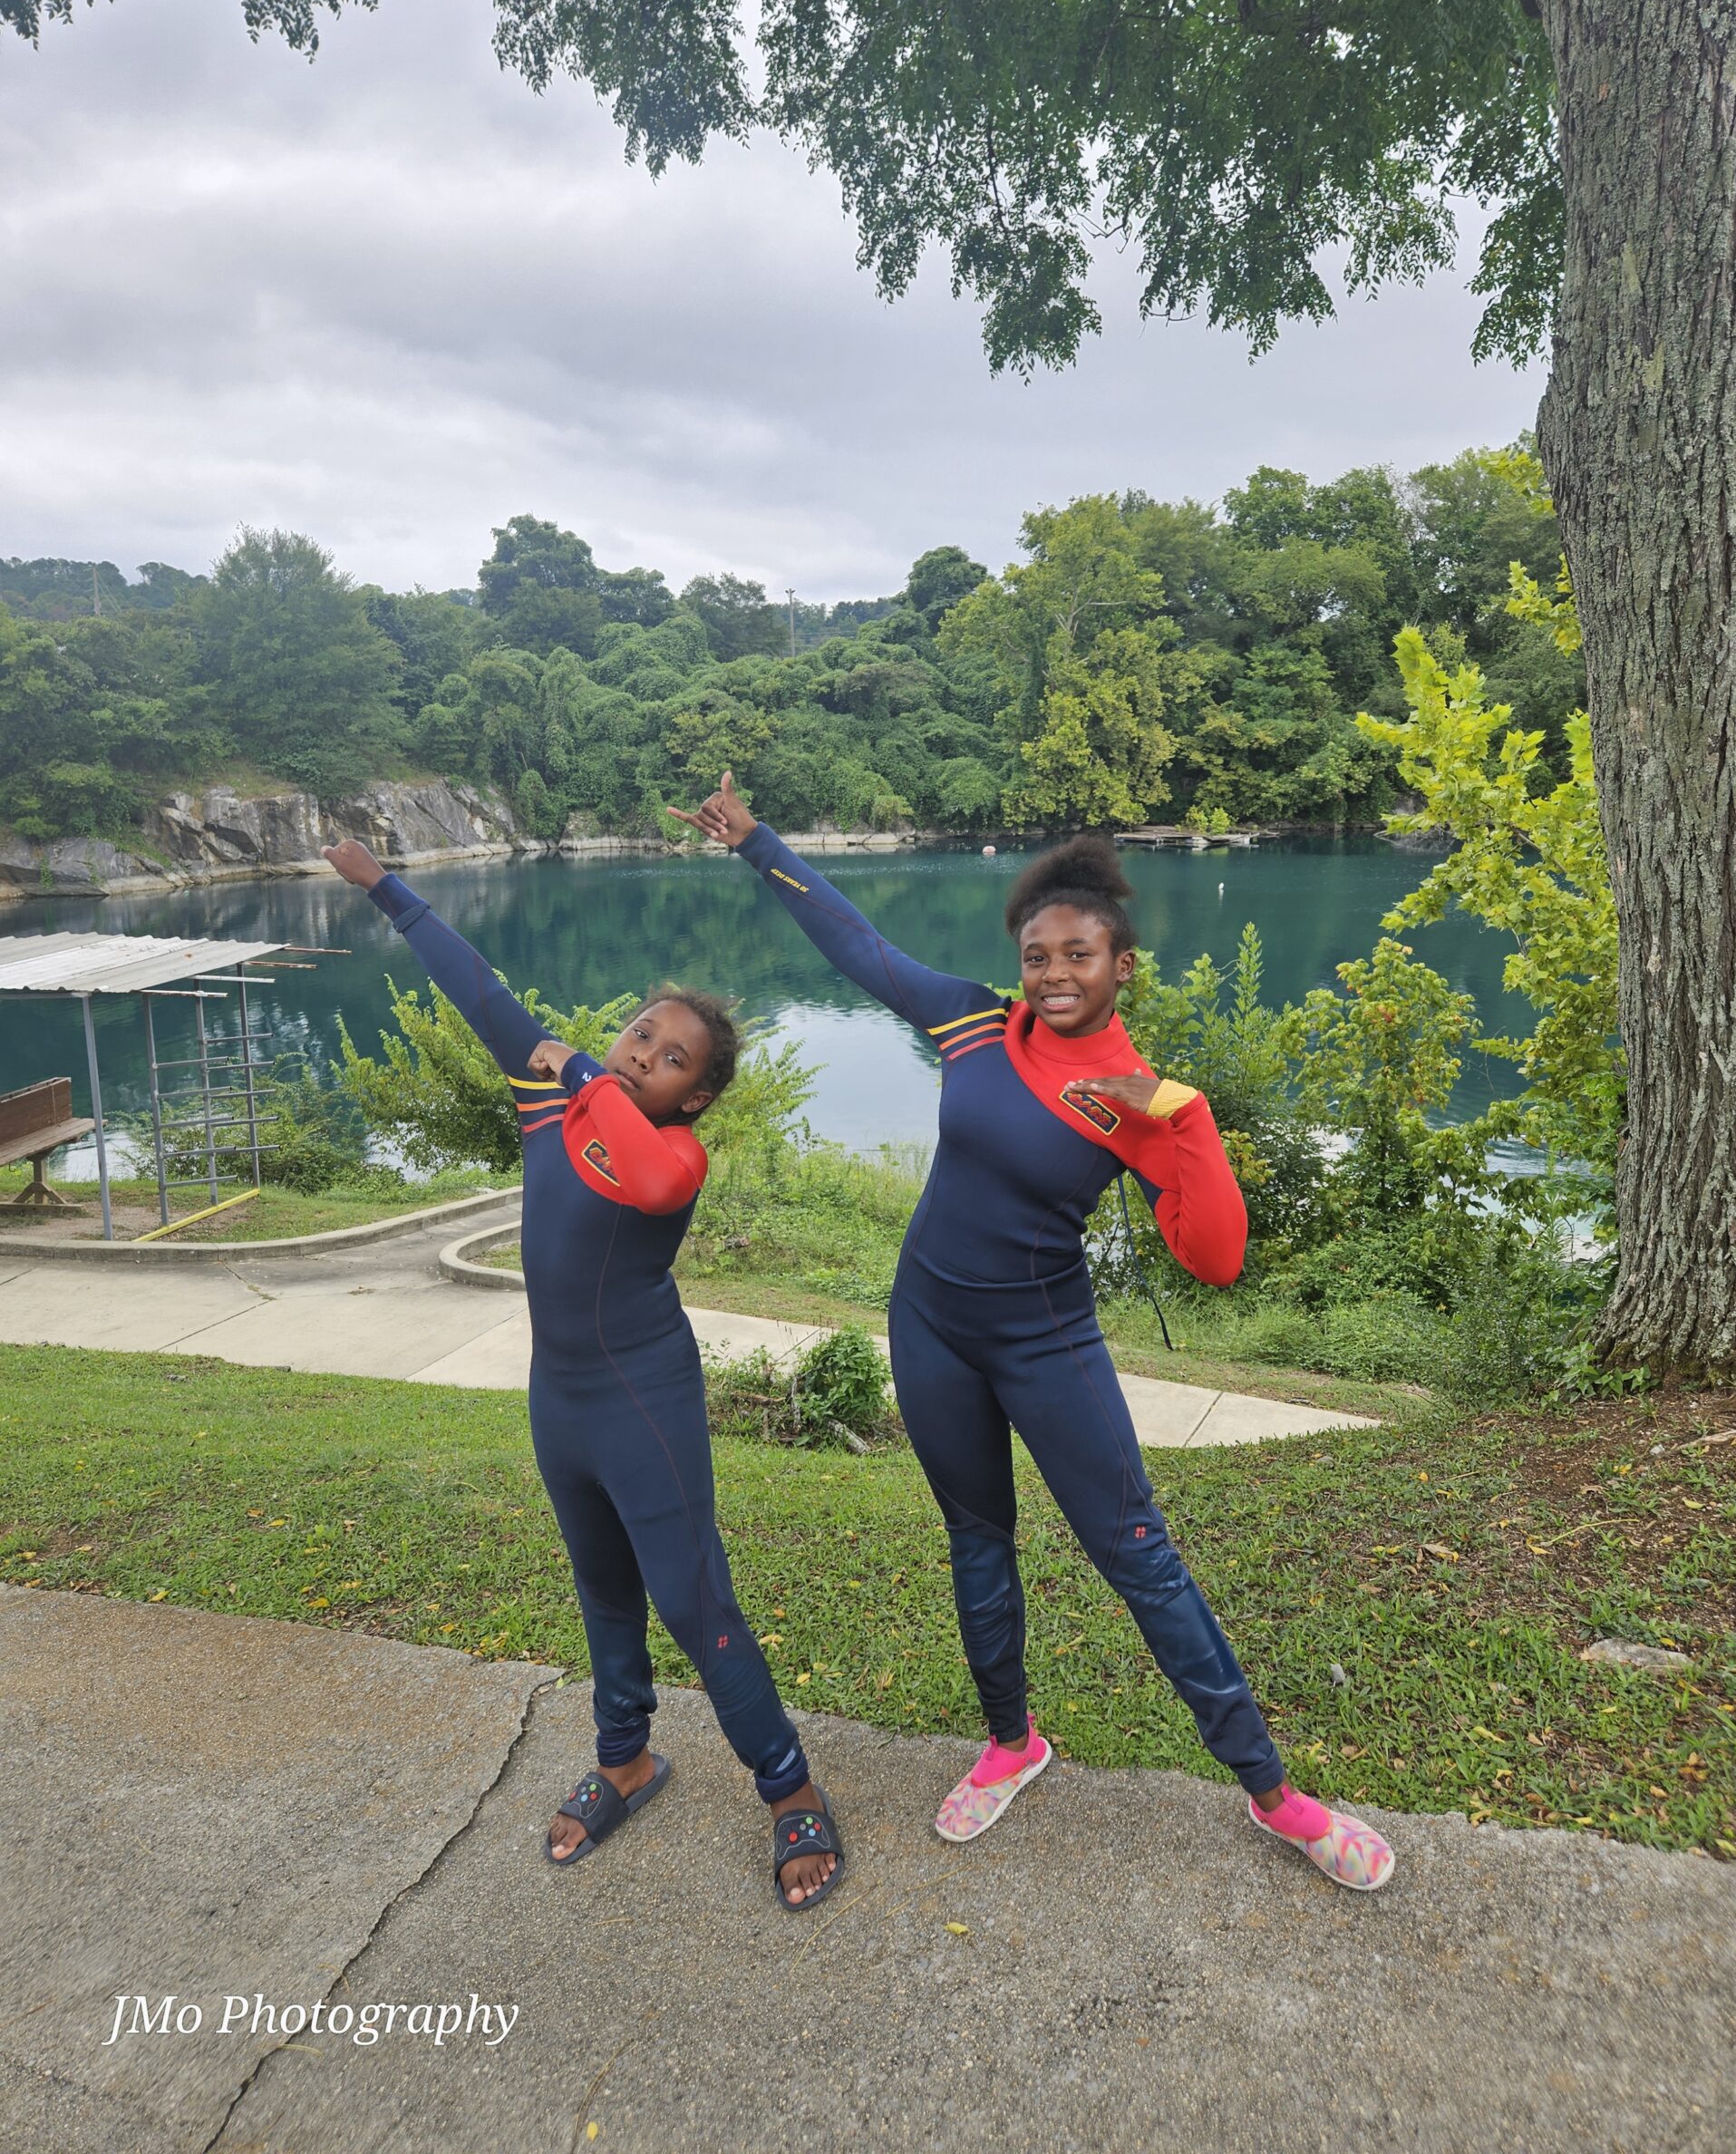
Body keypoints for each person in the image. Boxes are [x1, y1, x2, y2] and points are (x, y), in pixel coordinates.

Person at [669, 780, 1392, 1892]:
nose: (1055, 973)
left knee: (1139, 1557)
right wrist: (756, 842)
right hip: (931, 1323)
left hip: (1047, 1345)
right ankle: (1012, 1741)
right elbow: (853, 939)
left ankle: (1275, 1793)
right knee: (976, 1537)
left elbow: (1216, 1257)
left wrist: (1183, 1123)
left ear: (1121, 966)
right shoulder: (968, 1023)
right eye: (1038, 954)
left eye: (1079, 955)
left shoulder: (1144, 1096)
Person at [320, 839, 844, 1910]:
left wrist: (583, 1071)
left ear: (693, 1099)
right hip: (559, 1399)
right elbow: (475, 983)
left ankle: (787, 1783)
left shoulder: (674, 1153)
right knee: (604, 1592)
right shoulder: (543, 1095)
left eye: (669, 1057)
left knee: (696, 1602)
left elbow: (641, 1173)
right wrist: (386, 890)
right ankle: (625, 1759)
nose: (641, 1050)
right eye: (639, 1032)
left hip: (645, 1400)